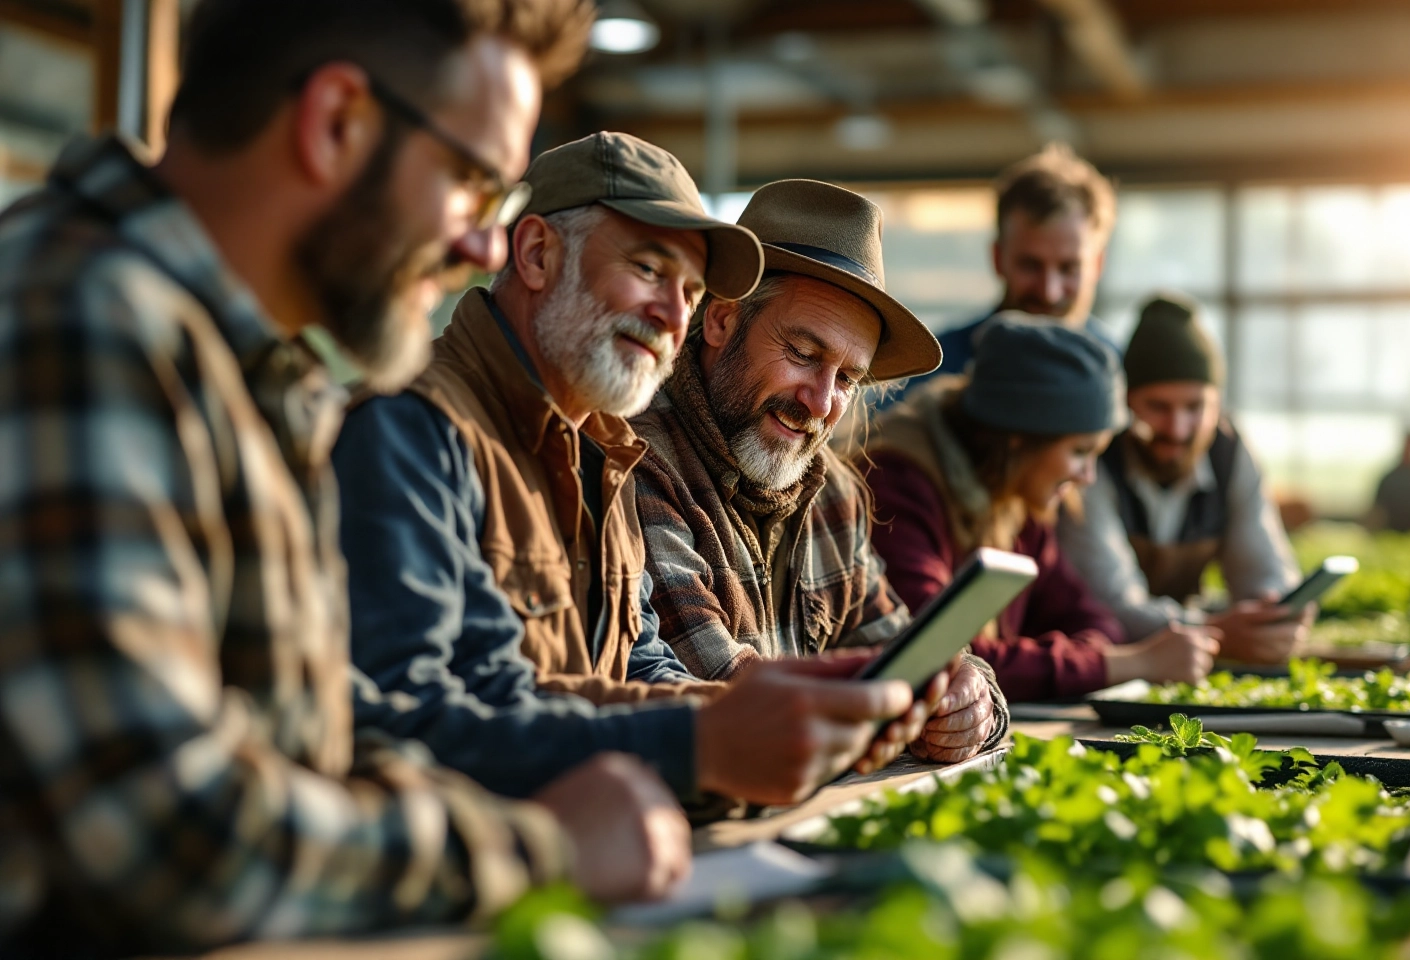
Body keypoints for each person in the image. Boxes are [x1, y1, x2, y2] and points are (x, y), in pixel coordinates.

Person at [0, 2, 694, 954]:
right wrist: (540, 850)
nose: (485, 248)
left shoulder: (263, 369)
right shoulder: (79, 319)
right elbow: (172, 838)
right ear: (335, 124)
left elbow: (321, 738)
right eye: (472, 184)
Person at [335, 133, 928, 808]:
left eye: (690, 288)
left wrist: (740, 723)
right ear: (535, 255)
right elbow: (413, 723)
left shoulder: (605, 445)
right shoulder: (410, 429)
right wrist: (706, 742)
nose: (676, 314)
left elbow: (635, 667)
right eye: (649, 269)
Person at [632, 179, 1010, 766]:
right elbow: (727, 691)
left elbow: (898, 646)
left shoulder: (831, 488)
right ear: (723, 322)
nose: (820, 402)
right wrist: (902, 696)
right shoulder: (639, 461)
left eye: (848, 378)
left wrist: (967, 693)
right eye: (804, 355)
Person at [858, 317, 1220, 702]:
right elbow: (935, 656)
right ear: (1019, 438)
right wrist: (1130, 664)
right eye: (1080, 452)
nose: (1087, 476)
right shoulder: (896, 488)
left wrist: (1076, 659)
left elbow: (1094, 621)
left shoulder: (1015, 496)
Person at [1058, 293, 1306, 663]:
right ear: (1125, 403)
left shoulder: (1229, 453)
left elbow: (1263, 566)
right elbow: (1112, 604)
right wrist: (1218, 632)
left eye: (1195, 407)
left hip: (1185, 664)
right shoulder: (1094, 460)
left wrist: (1276, 613)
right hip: (1106, 663)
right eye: (1158, 407)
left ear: (1217, 405)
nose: (1177, 428)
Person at [892, 144, 1117, 407]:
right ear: (998, 259)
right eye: (1030, 265)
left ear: (1098, 264)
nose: (1049, 291)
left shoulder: (1126, 375)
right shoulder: (931, 369)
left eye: (1069, 268)